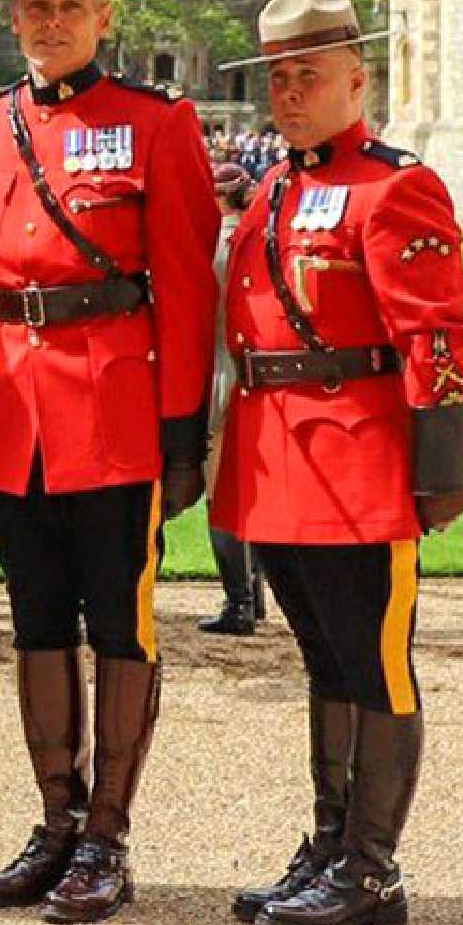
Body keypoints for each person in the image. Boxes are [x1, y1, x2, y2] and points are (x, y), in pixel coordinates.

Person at [213, 0, 463, 925]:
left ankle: (373, 869)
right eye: (279, 78)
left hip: (357, 464)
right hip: (277, 458)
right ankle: (329, 845)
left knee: (377, 669)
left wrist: (438, 473)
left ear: (355, 78)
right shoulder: (274, 185)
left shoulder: (397, 185)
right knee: (325, 662)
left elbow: (433, 337)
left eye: (308, 75)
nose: (290, 93)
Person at [0, 0, 219, 924]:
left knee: (120, 622)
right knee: (34, 616)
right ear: (13, 14)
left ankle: (108, 833)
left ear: (104, 14)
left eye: (70, 4)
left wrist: (182, 434)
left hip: (112, 413)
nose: (51, 20)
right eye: (35, 4)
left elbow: (186, 289)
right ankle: (53, 821)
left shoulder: (159, 123)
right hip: (5, 419)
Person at [199, 161, 263, 636]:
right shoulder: (261, 238)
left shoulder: (212, 244)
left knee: (220, 495)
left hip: (218, 372)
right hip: (258, 378)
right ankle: (255, 595)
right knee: (250, 493)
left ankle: (239, 602)